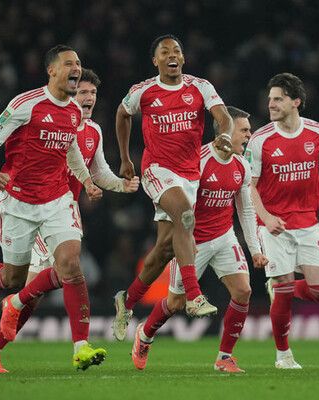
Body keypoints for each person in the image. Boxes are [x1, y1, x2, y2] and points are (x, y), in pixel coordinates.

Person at [0, 68, 140, 373]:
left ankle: (68, 346)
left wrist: (120, 185)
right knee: (24, 283)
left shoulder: (94, 131)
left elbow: (99, 171)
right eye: (83, 92)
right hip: (34, 205)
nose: (88, 98)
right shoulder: (47, 120)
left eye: (92, 93)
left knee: (67, 270)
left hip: (63, 209)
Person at [112, 34, 235, 340]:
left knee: (165, 250)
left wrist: (224, 135)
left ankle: (126, 302)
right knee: (184, 215)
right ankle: (194, 295)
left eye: (176, 51)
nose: (172, 55)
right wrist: (125, 158)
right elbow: (122, 114)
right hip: (156, 170)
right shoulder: (143, 91)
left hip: (189, 175)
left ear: (183, 58)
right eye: (165, 51)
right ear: (155, 61)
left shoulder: (200, 87)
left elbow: (223, 117)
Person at [129, 106, 268, 372]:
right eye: (244, 130)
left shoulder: (242, 165)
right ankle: (144, 335)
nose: (249, 135)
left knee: (243, 291)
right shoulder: (197, 161)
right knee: (176, 303)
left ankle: (224, 357)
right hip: (193, 242)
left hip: (224, 236)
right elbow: (177, 206)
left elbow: (246, 209)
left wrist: (255, 250)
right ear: (226, 130)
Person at [246, 73, 319, 369]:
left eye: (278, 99)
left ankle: (278, 289)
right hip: (273, 227)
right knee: (285, 287)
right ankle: (283, 355)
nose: (270, 104)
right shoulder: (260, 140)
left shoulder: (318, 133)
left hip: (308, 224)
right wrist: (266, 217)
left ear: (296, 102)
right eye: (270, 99)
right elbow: (249, 186)